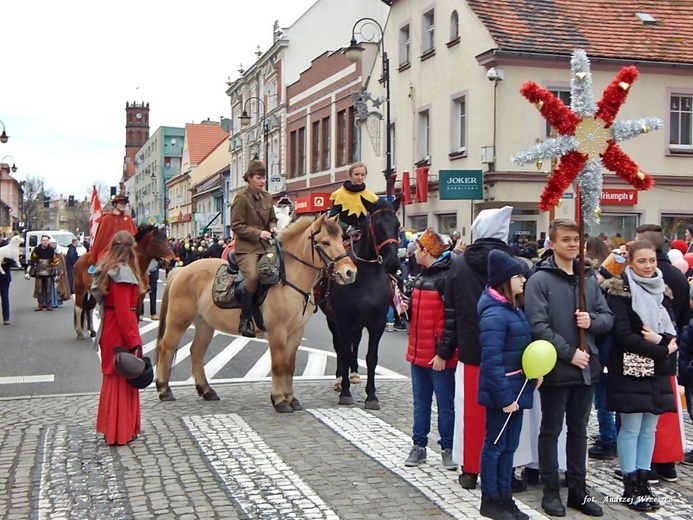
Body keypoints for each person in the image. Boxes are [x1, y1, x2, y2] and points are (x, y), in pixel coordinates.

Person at [524, 219, 614, 517]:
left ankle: (578, 490)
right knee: (551, 430)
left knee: (579, 431)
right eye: (566, 239)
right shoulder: (540, 280)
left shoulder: (587, 277)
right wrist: (568, 353)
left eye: (576, 239)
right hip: (557, 369)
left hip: (587, 368)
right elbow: (538, 326)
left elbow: (606, 317)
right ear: (553, 243)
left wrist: (592, 322)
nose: (573, 244)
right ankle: (551, 492)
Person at [440, 206, 515, 490]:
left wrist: (447, 347)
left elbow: (451, 310)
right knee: (508, 412)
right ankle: (504, 470)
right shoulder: (514, 263)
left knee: (471, 412)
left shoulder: (458, 264)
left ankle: (470, 469)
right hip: (509, 351)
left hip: (472, 349)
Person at [603, 241, 678, 511]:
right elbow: (623, 334)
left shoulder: (663, 291)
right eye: (642, 261)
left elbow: (673, 329)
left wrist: (661, 340)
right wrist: (660, 348)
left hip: (659, 369)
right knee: (631, 426)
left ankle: (644, 478)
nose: (648, 266)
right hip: (630, 369)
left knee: (649, 428)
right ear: (631, 263)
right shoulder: (619, 291)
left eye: (652, 261)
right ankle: (629, 482)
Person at [478, 249, 536, 520]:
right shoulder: (494, 314)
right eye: (517, 276)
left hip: (518, 388)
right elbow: (491, 362)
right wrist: (503, 397)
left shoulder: (513, 308)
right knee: (495, 446)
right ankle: (490, 499)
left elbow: (520, 349)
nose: (523, 279)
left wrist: (533, 371)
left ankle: (505, 496)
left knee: (510, 447)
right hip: (504, 393)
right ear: (504, 280)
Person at [635, 224, 689, 482]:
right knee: (666, 411)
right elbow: (684, 316)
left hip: (650, 349)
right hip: (670, 347)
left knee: (646, 413)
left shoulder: (649, 278)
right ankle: (665, 463)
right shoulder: (678, 276)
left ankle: (649, 465)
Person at [399, 230, 457, 470]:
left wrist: (443, 354)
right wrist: (408, 309)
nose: (414, 251)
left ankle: (448, 447)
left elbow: (452, 321)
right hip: (419, 353)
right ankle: (419, 445)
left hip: (437, 357)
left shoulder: (445, 279)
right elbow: (422, 317)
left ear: (426, 251)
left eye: (418, 247)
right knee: (420, 402)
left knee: (445, 404)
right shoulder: (422, 277)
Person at [93, 231, 147, 446]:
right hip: (120, 331)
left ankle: (112, 428)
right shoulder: (123, 274)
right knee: (124, 379)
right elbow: (126, 314)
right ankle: (120, 432)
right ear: (130, 250)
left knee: (113, 379)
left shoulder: (108, 268)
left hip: (109, 328)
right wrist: (134, 341)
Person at [230, 159, 278, 338]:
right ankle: (245, 319)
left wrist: (273, 227)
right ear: (249, 178)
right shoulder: (241, 199)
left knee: (277, 273)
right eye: (258, 177)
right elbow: (236, 225)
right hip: (247, 248)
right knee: (252, 278)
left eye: (263, 178)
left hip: (266, 246)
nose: (262, 181)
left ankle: (266, 311)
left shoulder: (267, 197)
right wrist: (258, 233)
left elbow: (272, 218)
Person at [88, 193, 138, 273]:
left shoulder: (128, 219)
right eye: (121, 203)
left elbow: (135, 237)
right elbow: (99, 240)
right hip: (109, 252)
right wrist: (94, 258)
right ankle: (99, 283)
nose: (123, 205)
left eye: (125, 203)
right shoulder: (106, 219)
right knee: (103, 270)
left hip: (127, 252)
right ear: (115, 204)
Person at [328, 161, 379, 236]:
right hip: (342, 235)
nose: (360, 177)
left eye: (362, 175)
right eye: (356, 174)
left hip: (364, 234)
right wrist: (346, 228)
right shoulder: (338, 194)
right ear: (350, 175)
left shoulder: (371, 196)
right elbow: (332, 218)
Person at [28, 235, 60, 311]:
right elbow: (32, 260)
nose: (45, 242)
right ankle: (40, 304)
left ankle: (48, 304)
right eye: (43, 240)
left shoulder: (52, 250)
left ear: (48, 242)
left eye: (46, 240)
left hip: (49, 271)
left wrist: (56, 271)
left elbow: (55, 261)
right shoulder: (36, 250)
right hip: (39, 271)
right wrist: (28, 271)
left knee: (48, 289)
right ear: (41, 241)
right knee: (39, 289)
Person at [0, 234, 15, 324]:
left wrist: (5, 261)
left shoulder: (7, 247)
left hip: (4, 276)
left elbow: (12, 261)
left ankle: (6, 318)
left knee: (4, 297)